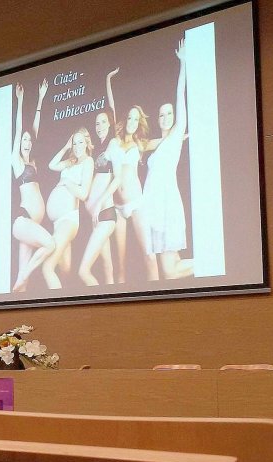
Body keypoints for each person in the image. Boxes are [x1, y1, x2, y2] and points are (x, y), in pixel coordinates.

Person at [143, 39, 193, 280]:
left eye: (169, 113)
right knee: (170, 271)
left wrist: (183, 63)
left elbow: (179, 96)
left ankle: (212, 261)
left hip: (166, 205)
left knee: (170, 272)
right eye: (161, 115)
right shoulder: (156, 143)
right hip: (153, 208)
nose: (165, 117)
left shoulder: (175, 137)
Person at [108, 73, 158, 283]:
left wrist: (184, 135)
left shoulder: (140, 144)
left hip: (136, 203)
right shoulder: (114, 140)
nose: (132, 121)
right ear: (125, 119)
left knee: (149, 255)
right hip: (117, 207)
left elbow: (165, 140)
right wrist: (108, 80)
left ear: (139, 123)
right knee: (119, 266)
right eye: (130, 117)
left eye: (136, 119)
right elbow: (111, 108)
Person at [12, 80, 55, 292]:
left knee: (24, 287)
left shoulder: (33, 162)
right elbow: (20, 130)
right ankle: (21, 278)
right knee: (50, 244)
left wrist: (41, 98)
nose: (27, 143)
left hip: (30, 225)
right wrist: (20, 101)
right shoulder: (17, 161)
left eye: (29, 140)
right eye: (24, 140)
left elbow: (34, 130)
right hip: (23, 221)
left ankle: (19, 286)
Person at [79, 69, 121, 286]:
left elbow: (117, 179)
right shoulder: (97, 149)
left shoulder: (113, 144)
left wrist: (107, 80)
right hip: (97, 215)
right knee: (107, 267)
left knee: (83, 271)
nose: (100, 126)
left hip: (104, 213)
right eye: (97, 123)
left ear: (110, 123)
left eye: (103, 122)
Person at [42, 127, 95, 289]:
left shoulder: (88, 161)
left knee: (47, 267)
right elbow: (51, 165)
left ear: (86, 143)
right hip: (58, 222)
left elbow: (84, 193)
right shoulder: (71, 162)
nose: (77, 146)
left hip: (68, 219)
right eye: (74, 143)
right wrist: (65, 147)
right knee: (65, 271)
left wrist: (66, 182)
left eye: (80, 142)